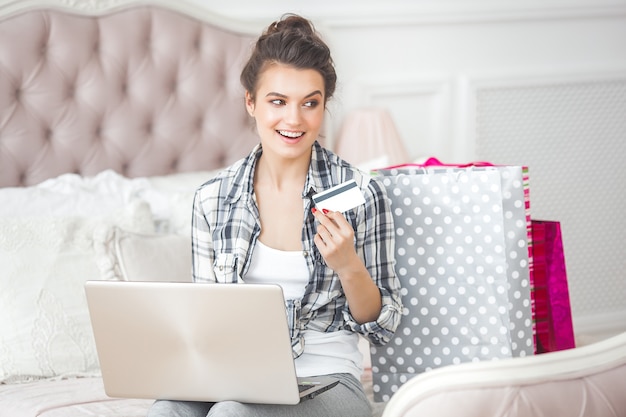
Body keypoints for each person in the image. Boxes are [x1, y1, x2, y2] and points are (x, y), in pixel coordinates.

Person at [148, 13, 402, 417]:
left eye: (310, 104)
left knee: (232, 413)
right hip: (233, 375)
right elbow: (205, 322)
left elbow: (382, 325)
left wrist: (348, 265)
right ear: (251, 102)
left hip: (327, 380)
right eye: (277, 101)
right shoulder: (212, 199)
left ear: (324, 106)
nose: (294, 120)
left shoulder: (360, 193)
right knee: (167, 411)